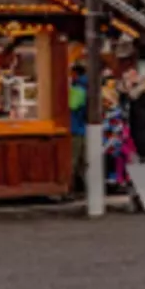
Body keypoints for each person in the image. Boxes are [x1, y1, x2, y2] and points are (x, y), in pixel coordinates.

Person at [67, 63, 88, 195]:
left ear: (76, 74)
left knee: (74, 160)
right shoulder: (87, 86)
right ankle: (86, 189)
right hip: (83, 128)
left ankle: (71, 189)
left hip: (75, 128)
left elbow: (72, 105)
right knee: (82, 162)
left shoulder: (78, 89)